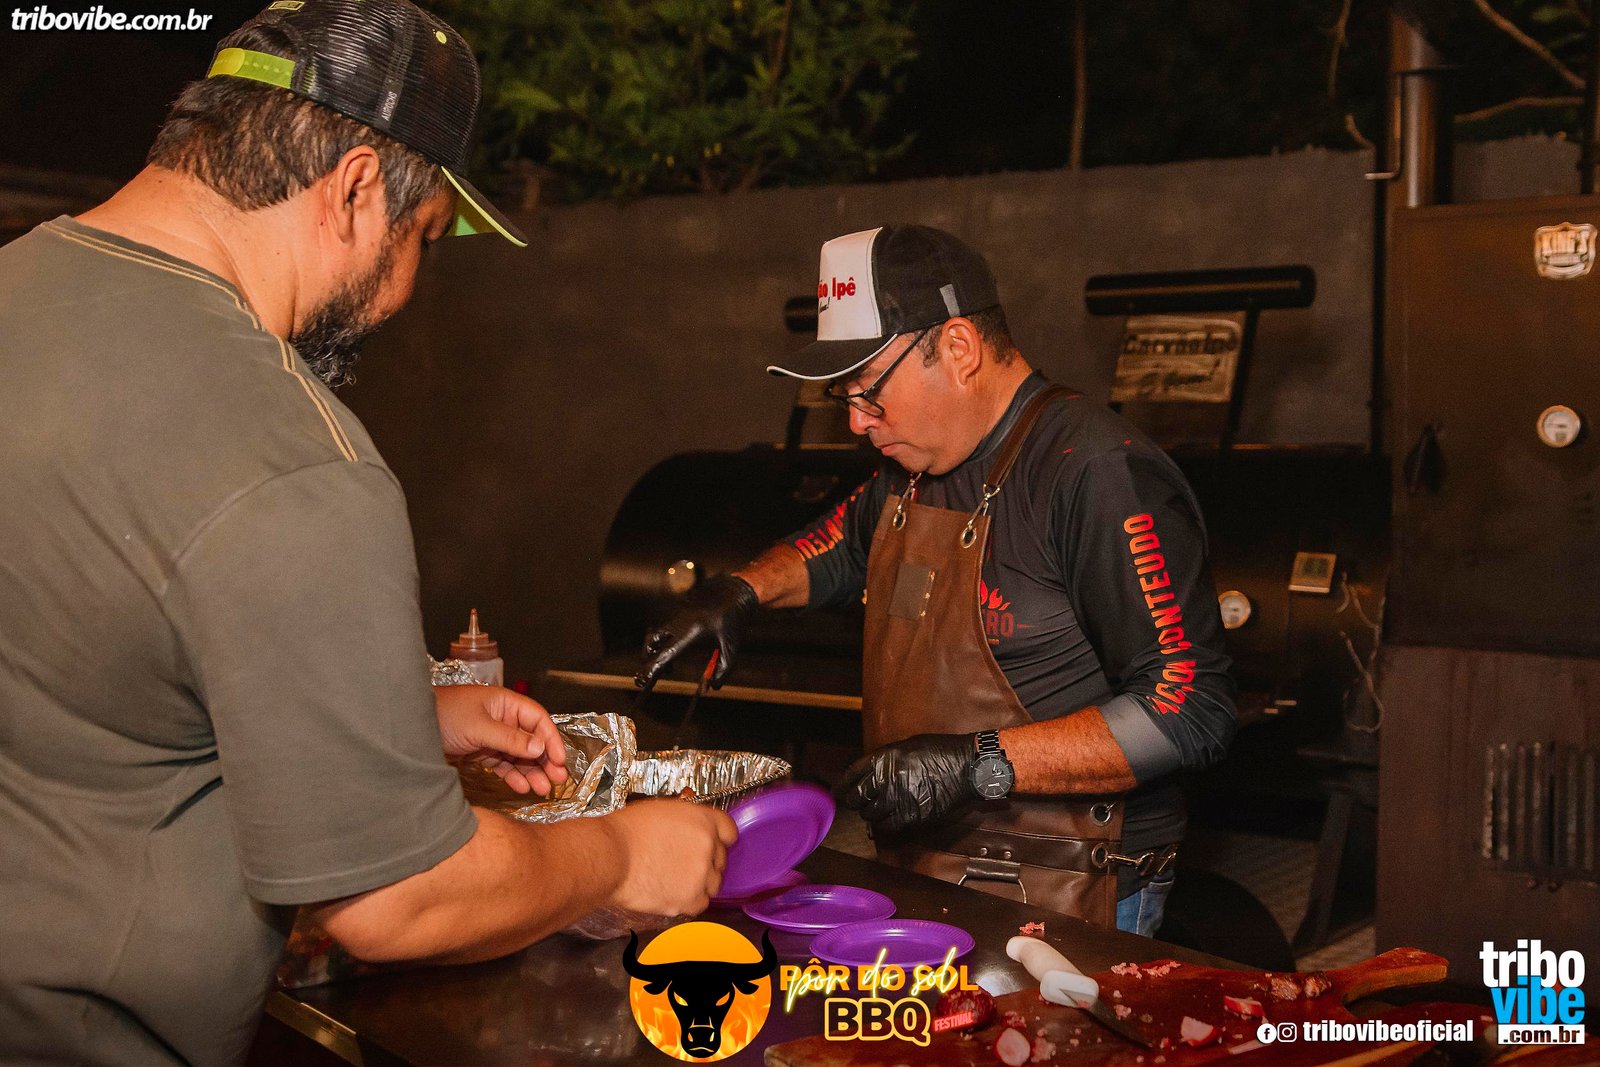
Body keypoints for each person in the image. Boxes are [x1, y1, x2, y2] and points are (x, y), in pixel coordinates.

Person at [0, 2, 732, 1064]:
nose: (409, 289)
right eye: (423, 237)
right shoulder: (292, 459)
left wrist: (385, 723)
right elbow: (397, 898)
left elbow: (73, 665)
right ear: (352, 189)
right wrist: (618, 853)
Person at [638, 224, 1235, 936]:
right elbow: (838, 545)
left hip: (1072, 885)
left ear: (958, 349)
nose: (856, 422)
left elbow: (1190, 708)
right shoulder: (916, 465)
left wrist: (976, 764)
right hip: (927, 868)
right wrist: (740, 591)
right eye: (842, 396)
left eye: (869, 391)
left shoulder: (1096, 472)